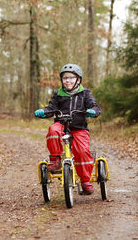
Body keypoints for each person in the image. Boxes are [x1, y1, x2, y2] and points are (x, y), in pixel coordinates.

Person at [34, 63, 100, 195]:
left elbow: (94, 106)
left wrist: (92, 111)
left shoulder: (85, 93)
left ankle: (85, 181)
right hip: (62, 125)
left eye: (71, 78)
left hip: (79, 127)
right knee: (53, 129)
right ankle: (55, 159)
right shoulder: (58, 94)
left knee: (82, 151)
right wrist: (43, 112)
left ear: (78, 80)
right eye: (65, 78)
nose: (67, 80)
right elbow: (51, 109)